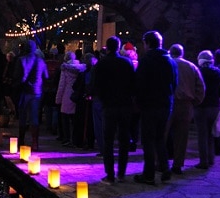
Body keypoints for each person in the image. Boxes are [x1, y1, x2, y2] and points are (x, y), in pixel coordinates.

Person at [134, 30, 178, 185]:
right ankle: (165, 168)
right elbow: (174, 83)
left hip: (150, 105)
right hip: (166, 105)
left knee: (148, 140)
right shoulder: (171, 61)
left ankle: (149, 174)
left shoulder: (147, 60)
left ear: (147, 43)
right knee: (160, 138)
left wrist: (138, 102)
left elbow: (139, 83)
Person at [93, 36, 136, 183]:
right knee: (123, 140)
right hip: (125, 105)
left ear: (107, 47)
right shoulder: (127, 62)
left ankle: (110, 174)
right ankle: (122, 173)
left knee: (108, 140)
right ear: (118, 47)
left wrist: (101, 97)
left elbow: (96, 84)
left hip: (109, 105)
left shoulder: (102, 63)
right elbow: (133, 82)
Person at [167, 44, 205, 174]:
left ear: (171, 52)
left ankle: (159, 162)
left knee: (162, 134)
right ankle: (178, 164)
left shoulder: (168, 63)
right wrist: (195, 102)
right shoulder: (191, 66)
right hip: (186, 104)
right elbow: (200, 87)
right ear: (182, 53)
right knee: (181, 137)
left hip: (169, 103)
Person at [14, 39, 49, 151]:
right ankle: (35, 143)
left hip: (25, 92)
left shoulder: (21, 60)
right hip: (37, 92)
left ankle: (21, 140)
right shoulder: (41, 61)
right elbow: (46, 77)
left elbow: (16, 76)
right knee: (34, 117)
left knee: (23, 117)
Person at [193, 50, 220, 169]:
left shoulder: (198, 72)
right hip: (214, 106)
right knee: (211, 134)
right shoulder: (218, 72)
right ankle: (211, 159)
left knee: (202, 134)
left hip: (201, 106)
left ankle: (203, 161)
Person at [55, 51, 83, 145]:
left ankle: (67, 138)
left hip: (67, 95)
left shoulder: (65, 69)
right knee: (75, 120)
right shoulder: (80, 68)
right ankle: (75, 139)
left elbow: (61, 85)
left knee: (65, 119)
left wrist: (58, 99)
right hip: (76, 95)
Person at [2, 51, 17, 118]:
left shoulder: (12, 65)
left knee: (8, 96)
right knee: (7, 96)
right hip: (7, 82)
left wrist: (8, 80)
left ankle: (13, 109)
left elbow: (10, 74)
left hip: (10, 82)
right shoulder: (8, 64)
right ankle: (12, 109)